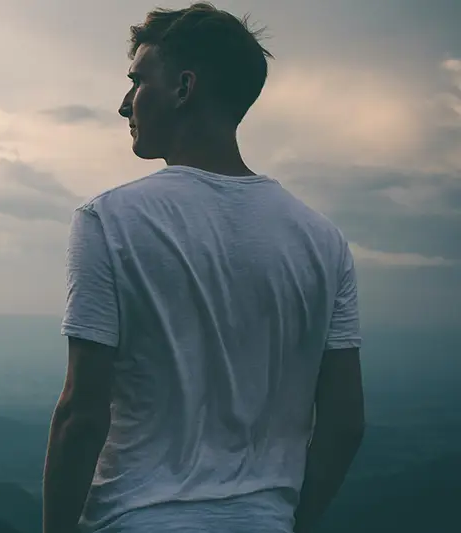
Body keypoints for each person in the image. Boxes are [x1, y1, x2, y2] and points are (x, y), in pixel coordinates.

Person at [42, 2, 365, 533]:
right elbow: (344, 422)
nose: (124, 105)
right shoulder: (323, 240)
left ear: (183, 88)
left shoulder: (109, 220)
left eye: (138, 81)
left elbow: (82, 413)